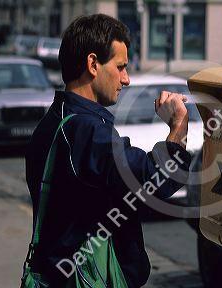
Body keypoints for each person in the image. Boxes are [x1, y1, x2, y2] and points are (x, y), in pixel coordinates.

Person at [25, 14, 191, 287]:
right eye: (121, 66)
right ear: (93, 64)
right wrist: (178, 124)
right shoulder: (86, 131)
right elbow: (159, 180)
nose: (126, 79)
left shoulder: (56, 120)